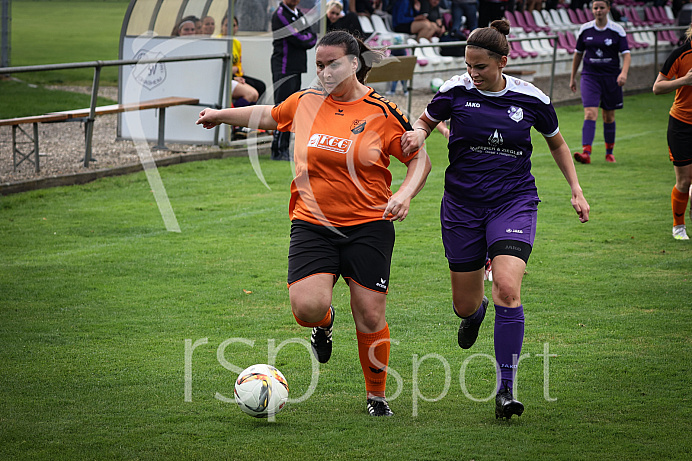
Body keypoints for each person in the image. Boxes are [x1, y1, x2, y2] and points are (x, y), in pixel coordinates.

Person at [197, 30, 432, 417]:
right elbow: (271, 115)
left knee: (370, 314)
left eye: (333, 64)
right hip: (312, 222)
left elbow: (419, 159)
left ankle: (376, 396)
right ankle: (323, 324)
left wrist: (404, 194)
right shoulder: (306, 101)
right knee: (307, 307)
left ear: (354, 63)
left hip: (368, 225)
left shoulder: (383, 112)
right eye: (319, 65)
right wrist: (221, 115)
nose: (324, 72)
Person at [401, 19, 590, 419]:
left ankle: (506, 388)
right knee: (464, 304)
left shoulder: (532, 98)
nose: (473, 73)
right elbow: (424, 122)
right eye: (469, 66)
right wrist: (418, 134)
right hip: (462, 207)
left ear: (503, 62)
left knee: (508, 287)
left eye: (481, 67)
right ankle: (474, 312)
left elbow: (557, 143)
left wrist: (575, 188)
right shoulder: (454, 90)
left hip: (513, 203)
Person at [569, 0, 631, 164]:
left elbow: (626, 54)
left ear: (608, 9)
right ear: (592, 10)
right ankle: (586, 153)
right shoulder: (585, 29)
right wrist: (573, 77)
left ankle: (609, 152)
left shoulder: (617, 30)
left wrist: (623, 73)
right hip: (590, 76)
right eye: (595, 8)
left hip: (611, 78)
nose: (598, 11)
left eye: (602, 7)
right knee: (590, 113)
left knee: (608, 116)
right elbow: (578, 54)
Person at [653, 22, 692, 240]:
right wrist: (685, 81)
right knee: (684, 181)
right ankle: (678, 226)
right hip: (682, 124)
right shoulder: (680, 54)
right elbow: (657, 87)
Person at [271, 0, 318, 161]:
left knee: (292, 109)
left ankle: (284, 148)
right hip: (284, 67)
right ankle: (276, 149)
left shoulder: (299, 15)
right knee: (282, 108)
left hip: (297, 67)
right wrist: (304, 37)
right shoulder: (280, 15)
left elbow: (312, 37)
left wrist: (305, 37)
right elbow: (298, 38)